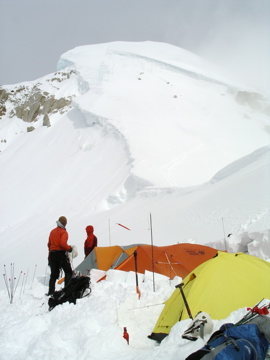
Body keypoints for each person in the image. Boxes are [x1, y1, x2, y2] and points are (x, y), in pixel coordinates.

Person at [47, 216, 73, 295]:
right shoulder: (64, 232)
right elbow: (62, 244)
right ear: (64, 223)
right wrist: (69, 249)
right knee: (68, 272)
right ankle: (66, 291)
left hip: (52, 254)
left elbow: (49, 244)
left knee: (53, 274)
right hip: (61, 254)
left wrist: (51, 251)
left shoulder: (52, 231)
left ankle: (51, 292)